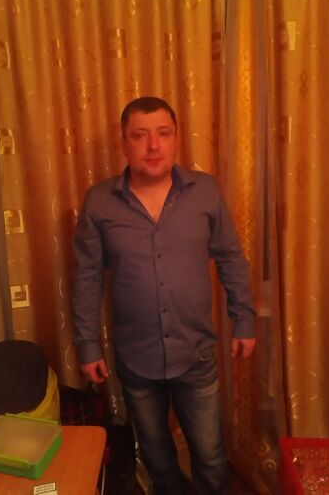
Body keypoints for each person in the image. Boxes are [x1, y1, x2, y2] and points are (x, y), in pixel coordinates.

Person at [72, 96, 256, 495]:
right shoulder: (99, 202)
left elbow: (230, 257)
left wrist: (243, 318)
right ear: (124, 142)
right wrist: (87, 345)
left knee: (210, 457)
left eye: (163, 133)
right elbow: (86, 276)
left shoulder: (205, 192)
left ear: (176, 139)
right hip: (136, 359)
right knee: (157, 457)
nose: (153, 146)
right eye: (140, 135)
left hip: (196, 352)